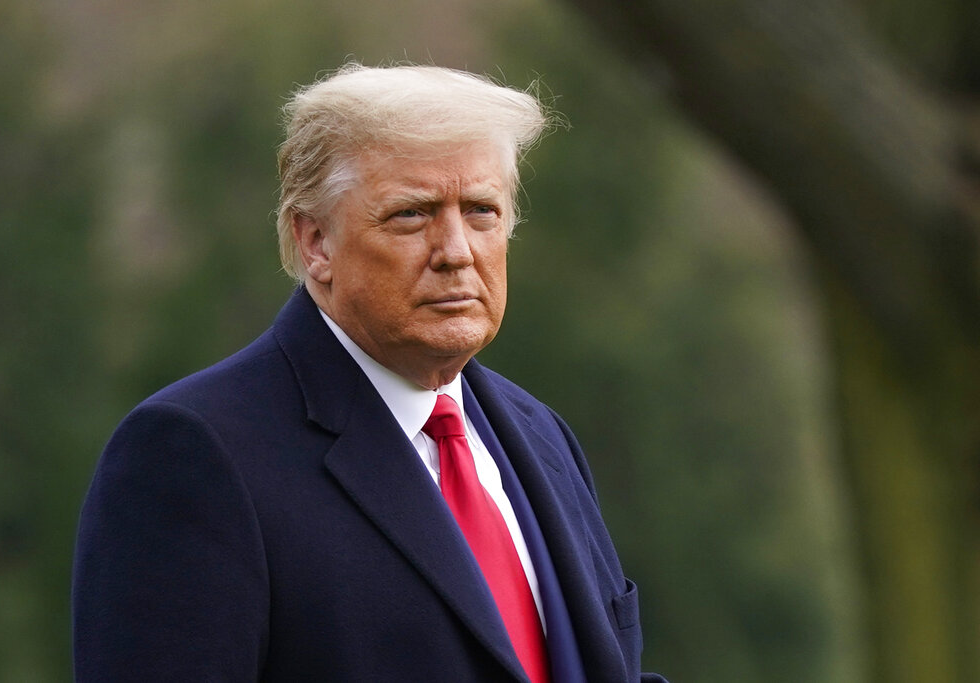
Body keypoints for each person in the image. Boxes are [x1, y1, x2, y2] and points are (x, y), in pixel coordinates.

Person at [72, 62, 668, 683]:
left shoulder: (540, 435)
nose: (457, 251)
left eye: (482, 212)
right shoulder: (192, 453)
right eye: (413, 214)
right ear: (316, 244)